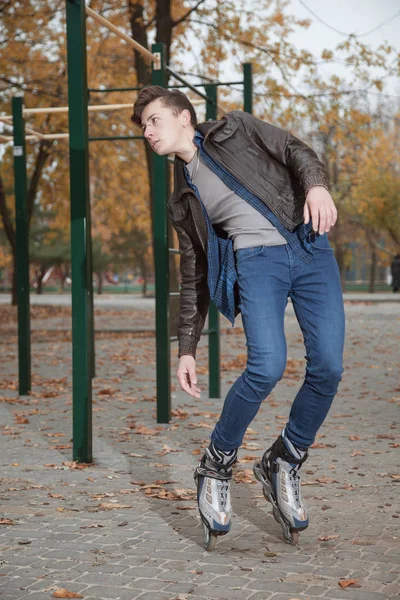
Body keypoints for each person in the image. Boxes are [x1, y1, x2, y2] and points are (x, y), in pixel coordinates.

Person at [131, 87, 345, 550]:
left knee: (328, 366)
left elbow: (294, 149)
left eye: (153, 120)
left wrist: (316, 184)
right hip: (258, 263)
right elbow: (195, 274)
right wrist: (186, 347)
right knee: (267, 365)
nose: (147, 131)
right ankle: (216, 462)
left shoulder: (236, 127)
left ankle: (284, 458)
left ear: (184, 116)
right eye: (143, 126)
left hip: (309, 248)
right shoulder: (182, 199)